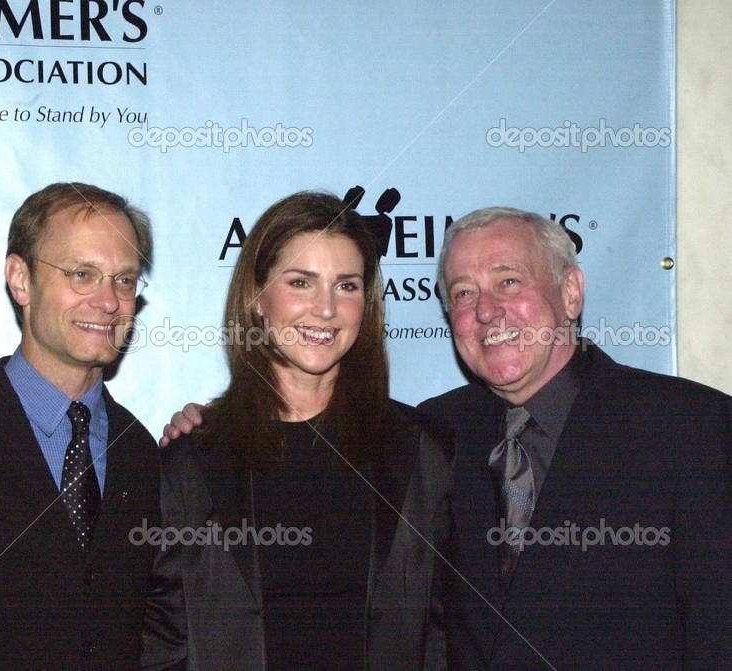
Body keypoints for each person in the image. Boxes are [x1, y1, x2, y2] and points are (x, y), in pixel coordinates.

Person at [141, 192, 453, 671]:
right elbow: (162, 644)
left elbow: (443, 638)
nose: (325, 309)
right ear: (258, 299)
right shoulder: (192, 463)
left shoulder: (420, 451)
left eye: (346, 286)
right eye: (301, 282)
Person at [417, 207, 732, 669]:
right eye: (464, 293)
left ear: (570, 293)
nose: (485, 310)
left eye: (509, 282)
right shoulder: (436, 432)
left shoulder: (690, 427)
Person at [0, 183, 161, 670]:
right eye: (82, 274)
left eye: (125, 280)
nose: (109, 302)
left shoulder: (142, 453)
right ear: (20, 279)